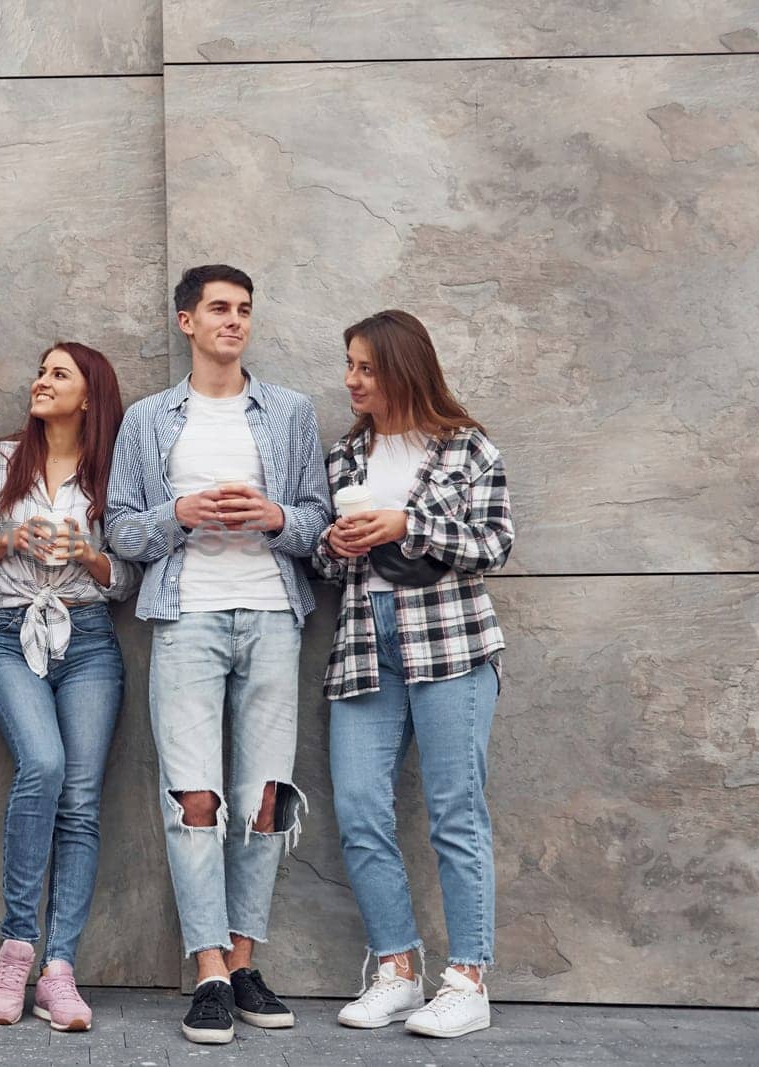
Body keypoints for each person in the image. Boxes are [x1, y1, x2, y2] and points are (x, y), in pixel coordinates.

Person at [106, 265, 330, 1045]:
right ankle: (205, 969)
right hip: (186, 616)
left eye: (244, 310)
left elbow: (318, 525)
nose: (234, 321)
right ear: (186, 322)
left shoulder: (291, 412)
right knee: (193, 797)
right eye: (219, 310)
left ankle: (242, 961)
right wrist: (179, 513)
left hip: (273, 616)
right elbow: (122, 533)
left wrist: (272, 516)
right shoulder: (148, 420)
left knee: (266, 801)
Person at [313, 309, 513, 1039]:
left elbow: (495, 542)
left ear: (402, 367)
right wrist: (335, 546)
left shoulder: (466, 447)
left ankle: (468, 979)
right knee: (362, 807)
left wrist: (408, 525)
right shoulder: (345, 455)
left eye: (365, 367)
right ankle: (397, 969)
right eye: (349, 365)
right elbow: (330, 567)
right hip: (367, 646)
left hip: (453, 645)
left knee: (456, 809)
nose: (352, 380)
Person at [0, 343, 141, 1033]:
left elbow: (131, 577)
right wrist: (8, 542)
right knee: (45, 765)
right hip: (12, 632)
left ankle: (57, 970)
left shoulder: (114, 468)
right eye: (40, 370)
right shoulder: (1, 460)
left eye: (58, 373)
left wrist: (89, 557)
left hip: (89, 638)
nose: (41, 381)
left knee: (83, 802)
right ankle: (16, 948)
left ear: (89, 394)